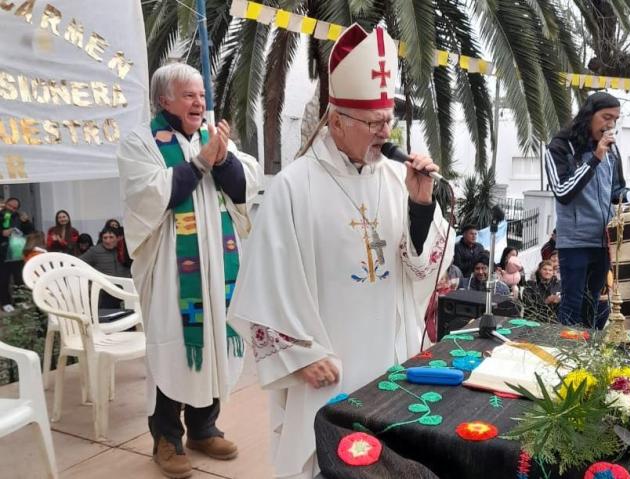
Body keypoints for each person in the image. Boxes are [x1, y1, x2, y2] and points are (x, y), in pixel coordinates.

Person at [227, 24, 453, 479]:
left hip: (390, 364)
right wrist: (299, 355)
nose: (384, 132)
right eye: (373, 123)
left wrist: (421, 205)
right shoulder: (294, 186)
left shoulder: (397, 179)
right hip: (329, 368)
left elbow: (421, 268)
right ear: (336, 121)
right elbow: (264, 287)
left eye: (388, 120)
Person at [117, 62, 262, 478]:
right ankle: (166, 437)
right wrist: (200, 162)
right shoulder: (140, 143)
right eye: (188, 95)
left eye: (201, 94)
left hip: (218, 266)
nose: (199, 102)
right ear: (164, 100)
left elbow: (241, 187)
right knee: (174, 344)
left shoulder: (211, 136)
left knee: (214, 336)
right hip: (170, 271)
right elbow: (153, 195)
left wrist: (219, 160)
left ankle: (203, 426)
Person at [544, 92, 628, 328]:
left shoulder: (612, 150)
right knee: (572, 305)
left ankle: (588, 359)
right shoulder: (560, 147)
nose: (610, 124)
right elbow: (562, 191)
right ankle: (567, 357)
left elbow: (617, 191)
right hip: (575, 242)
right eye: (606, 117)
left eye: (615, 119)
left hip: (603, 241)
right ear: (589, 115)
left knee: (594, 305)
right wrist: (595, 158)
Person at [79, 226, 132, 308]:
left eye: (111, 237)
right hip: (105, 292)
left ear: (118, 238)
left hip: (126, 290)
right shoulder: (95, 251)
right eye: (105, 238)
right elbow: (79, 263)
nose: (108, 241)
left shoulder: (125, 250)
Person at [1, 197, 34, 309]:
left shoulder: (19, 217)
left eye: (14, 208)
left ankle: (20, 301)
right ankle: (6, 303)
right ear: (5, 204)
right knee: (3, 280)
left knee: (19, 279)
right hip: (2, 253)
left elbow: (30, 231)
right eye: (9, 205)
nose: (11, 209)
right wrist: (2, 232)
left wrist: (26, 222)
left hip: (16, 253)